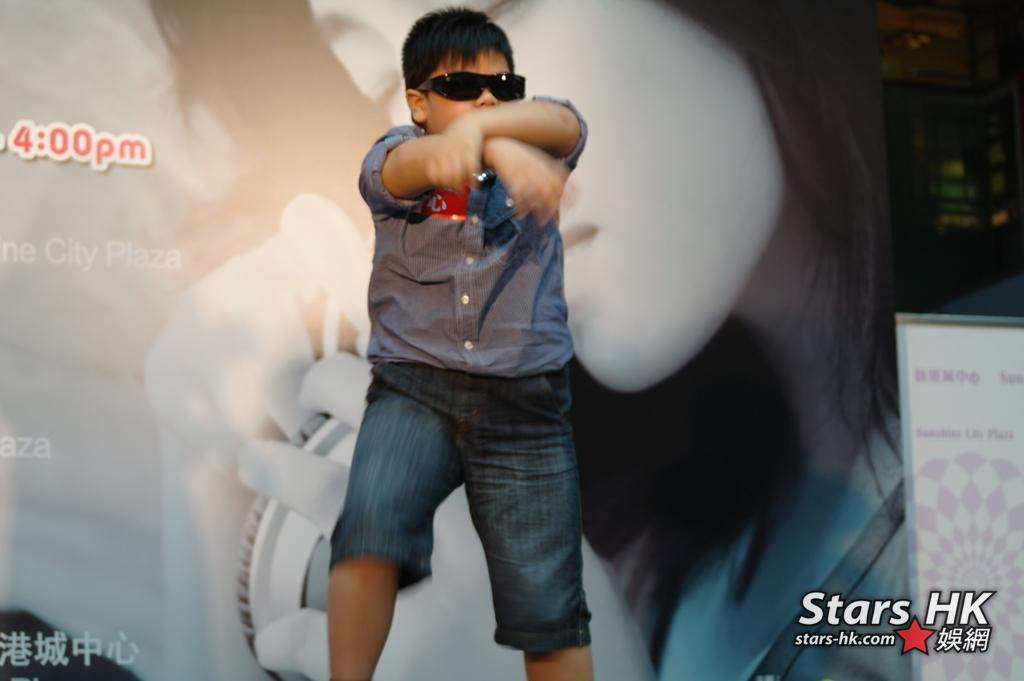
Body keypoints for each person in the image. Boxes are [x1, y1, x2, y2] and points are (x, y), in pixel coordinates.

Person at [326, 7, 593, 681]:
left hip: (527, 405)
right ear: (417, 102)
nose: (487, 101)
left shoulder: (544, 150)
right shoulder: (395, 156)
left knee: (549, 609)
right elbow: (408, 166)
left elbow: (566, 122)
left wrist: (483, 129)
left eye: (504, 88)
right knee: (368, 533)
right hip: (414, 389)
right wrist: (489, 141)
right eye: (461, 88)